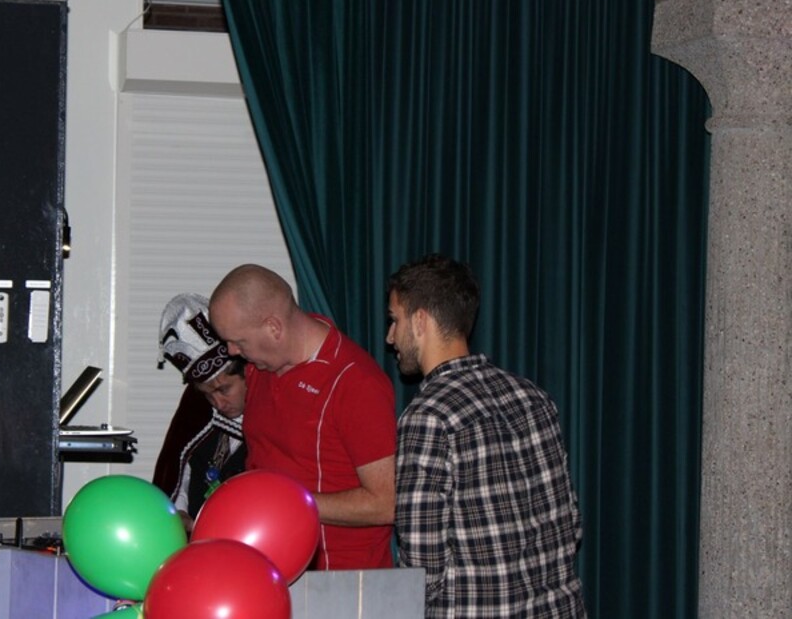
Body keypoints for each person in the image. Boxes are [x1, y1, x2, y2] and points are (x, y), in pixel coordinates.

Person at [387, 254, 586, 617]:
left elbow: (421, 570)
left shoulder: (427, 416)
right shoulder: (533, 397)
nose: (390, 337)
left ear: (420, 321)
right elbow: (570, 524)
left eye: (394, 320)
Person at [208, 264, 396, 570]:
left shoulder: (355, 382)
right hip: (270, 566)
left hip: (340, 579)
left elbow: (386, 503)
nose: (231, 352)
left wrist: (287, 502)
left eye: (239, 342)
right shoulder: (259, 369)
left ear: (274, 328)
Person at [153, 293, 248, 532]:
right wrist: (180, 511)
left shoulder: (271, 422)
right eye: (207, 395)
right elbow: (179, 471)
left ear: (247, 375)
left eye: (224, 389)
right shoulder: (198, 416)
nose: (218, 403)